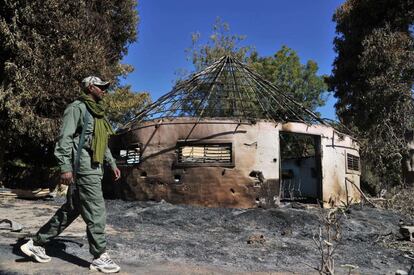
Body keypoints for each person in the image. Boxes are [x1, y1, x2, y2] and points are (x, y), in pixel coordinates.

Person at [20, 76, 122, 274]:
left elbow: (101, 142)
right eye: (101, 87)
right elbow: (64, 139)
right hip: (82, 168)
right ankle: (100, 256)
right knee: (96, 210)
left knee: (71, 210)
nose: (104, 90)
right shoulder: (77, 108)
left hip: (95, 167)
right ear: (91, 87)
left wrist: (112, 163)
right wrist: (65, 167)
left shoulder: (98, 113)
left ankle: (36, 243)